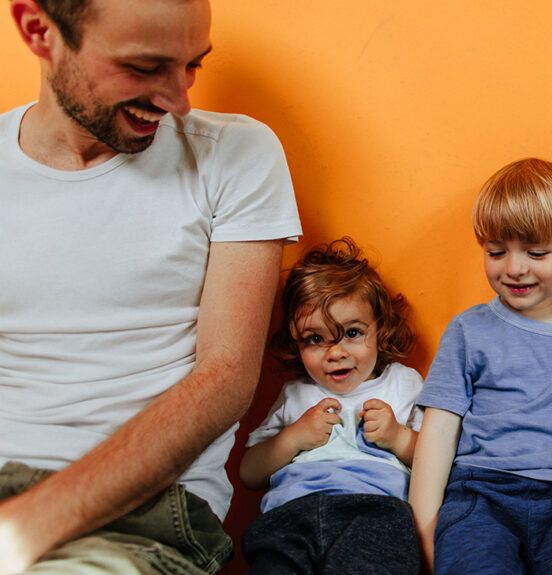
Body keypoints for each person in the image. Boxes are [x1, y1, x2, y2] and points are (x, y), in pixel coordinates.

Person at [0, 0, 301, 572]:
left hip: (144, 519)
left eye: (193, 66)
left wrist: (24, 529)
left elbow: (227, 377)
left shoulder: (234, 155)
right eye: (143, 68)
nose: (178, 100)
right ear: (40, 32)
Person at [409, 158, 552, 573]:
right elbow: (438, 435)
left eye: (536, 253)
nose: (514, 269)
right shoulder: (469, 330)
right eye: (496, 252)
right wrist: (426, 535)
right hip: (481, 496)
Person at [239, 237, 422, 574]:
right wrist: (292, 438)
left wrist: (398, 438)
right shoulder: (295, 394)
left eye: (352, 333)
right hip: (290, 513)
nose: (335, 352)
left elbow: (438, 460)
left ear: (381, 330)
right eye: (315, 339)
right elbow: (249, 473)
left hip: (375, 513)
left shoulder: (402, 382)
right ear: (296, 344)